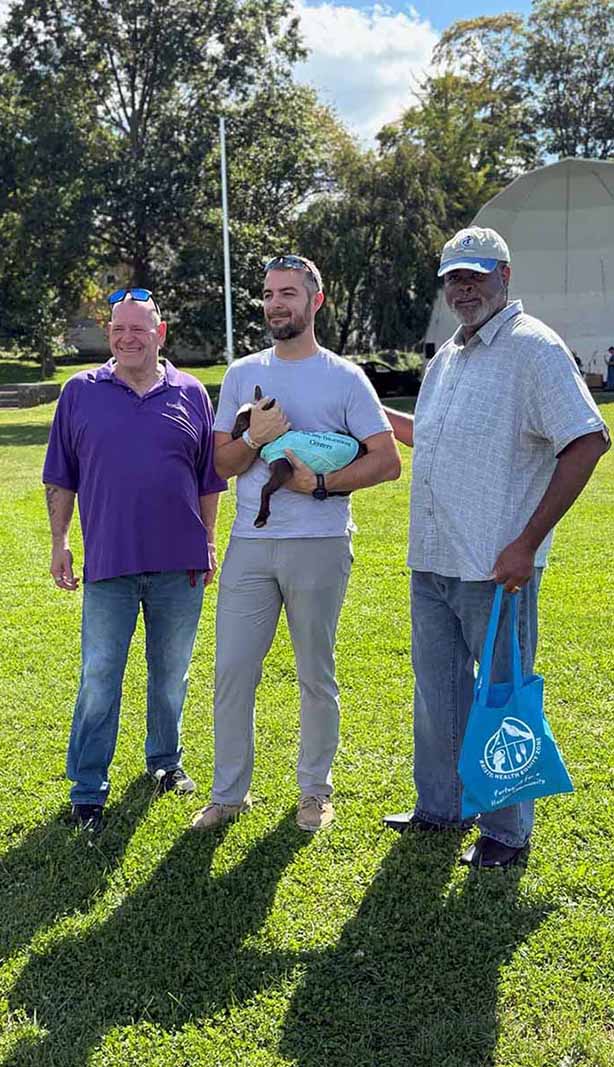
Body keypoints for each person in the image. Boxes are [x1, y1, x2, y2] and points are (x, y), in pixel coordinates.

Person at [381, 226, 610, 868]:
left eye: (476, 276)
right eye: (454, 278)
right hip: (433, 558)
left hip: (496, 565)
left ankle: (507, 833)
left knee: (504, 696)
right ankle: (442, 808)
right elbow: (432, 436)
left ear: (504, 277)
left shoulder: (534, 348)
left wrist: (526, 543)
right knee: (440, 692)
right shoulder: (448, 358)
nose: (464, 289)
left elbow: (587, 440)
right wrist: (369, 412)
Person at [191, 254, 400, 833]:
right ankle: (228, 795)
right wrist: (254, 440)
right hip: (250, 547)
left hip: (320, 543)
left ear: (316, 301)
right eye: (268, 294)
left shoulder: (344, 377)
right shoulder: (242, 373)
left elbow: (387, 461)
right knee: (233, 671)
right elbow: (221, 465)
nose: (275, 304)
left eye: (288, 293)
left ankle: (314, 792)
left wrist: (321, 485)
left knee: (315, 674)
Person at [43, 288, 226, 836]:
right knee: (100, 677)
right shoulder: (80, 392)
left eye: (138, 329)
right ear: (110, 334)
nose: (127, 338)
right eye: (118, 329)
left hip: (179, 564)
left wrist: (209, 541)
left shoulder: (192, 393)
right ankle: (87, 789)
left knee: (171, 675)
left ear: (159, 334)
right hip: (109, 563)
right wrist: (59, 541)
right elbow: (60, 475)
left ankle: (165, 763)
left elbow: (208, 479)